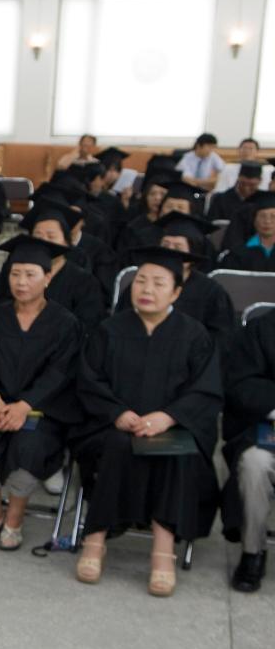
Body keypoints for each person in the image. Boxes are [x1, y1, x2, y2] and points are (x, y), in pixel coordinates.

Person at [72, 246, 224, 597]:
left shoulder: (194, 335)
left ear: (176, 292)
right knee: (117, 444)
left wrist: (167, 417)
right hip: (112, 427)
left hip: (173, 428)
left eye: (158, 283)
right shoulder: (110, 330)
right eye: (141, 281)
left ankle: (162, 551)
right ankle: (94, 541)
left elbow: (206, 390)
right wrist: (117, 413)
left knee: (174, 450)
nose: (147, 289)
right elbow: (89, 381)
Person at [0, 236, 84, 550]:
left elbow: (61, 373)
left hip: (43, 410)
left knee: (31, 446)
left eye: (30, 275)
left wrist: (25, 405)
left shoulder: (66, 324)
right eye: (14, 274)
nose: (21, 282)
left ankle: (15, 516)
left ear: (48, 277)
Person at [0, 200, 107, 337]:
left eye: (51, 236)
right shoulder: (13, 272)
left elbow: (88, 329)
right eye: (38, 235)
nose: (43, 241)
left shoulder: (84, 282)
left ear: (67, 242)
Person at [219, 308, 275, 592]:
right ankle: (253, 552)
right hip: (270, 428)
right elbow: (240, 385)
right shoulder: (263, 329)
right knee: (255, 462)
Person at [114, 213, 234, 343]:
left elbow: (221, 340)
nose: (170, 251)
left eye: (178, 247)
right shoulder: (141, 286)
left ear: (193, 252)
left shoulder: (212, 292)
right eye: (165, 245)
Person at [221, 191, 275, 272]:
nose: (267, 221)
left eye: (273, 216)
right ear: (254, 220)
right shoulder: (237, 254)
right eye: (262, 216)